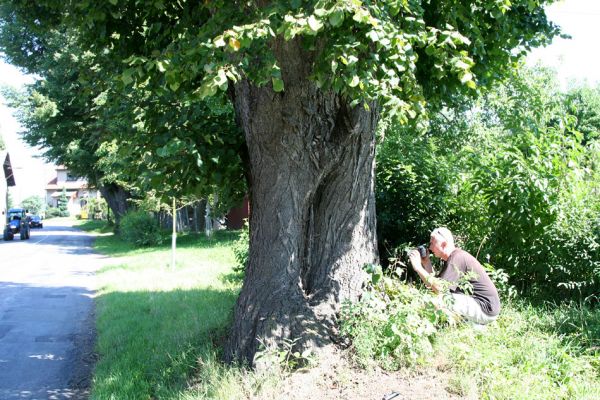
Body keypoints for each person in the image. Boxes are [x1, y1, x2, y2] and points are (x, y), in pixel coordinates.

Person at [408, 227, 500, 325]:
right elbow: (436, 285)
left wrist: (418, 267)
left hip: (485, 308)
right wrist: (426, 263)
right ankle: (473, 325)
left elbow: (440, 289)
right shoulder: (454, 257)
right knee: (441, 298)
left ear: (443, 244)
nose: (429, 248)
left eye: (432, 244)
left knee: (436, 301)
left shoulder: (456, 258)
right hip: (485, 308)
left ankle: (423, 327)